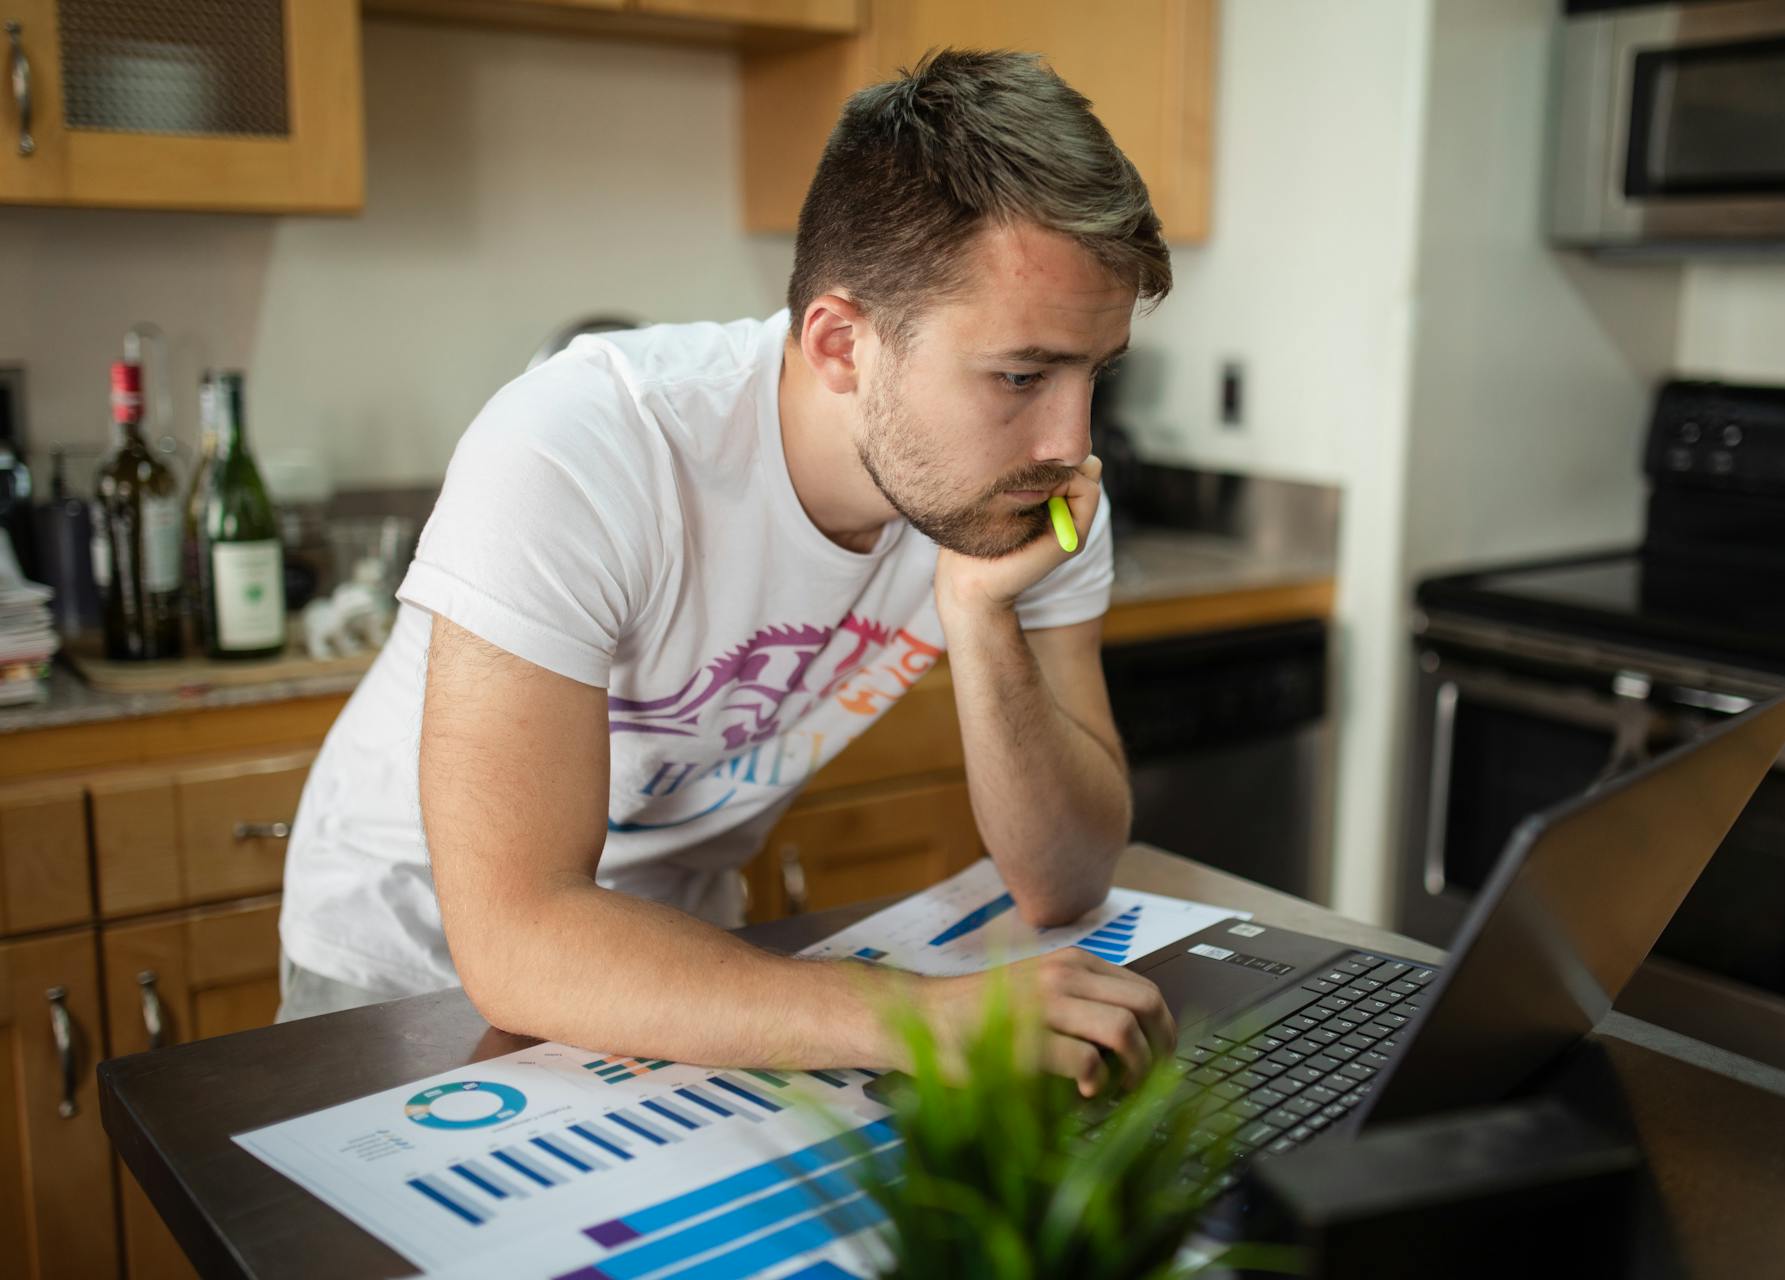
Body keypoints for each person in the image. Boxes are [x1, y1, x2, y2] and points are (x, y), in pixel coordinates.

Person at [278, 48, 1177, 1097]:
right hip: (407, 964)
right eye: (1020, 374)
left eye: (1092, 374)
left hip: (685, 963)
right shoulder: (582, 444)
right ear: (841, 343)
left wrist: (979, 615)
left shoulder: (1021, 489)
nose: (1070, 437)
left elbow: (1063, 879)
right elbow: (518, 941)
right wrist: (928, 1018)